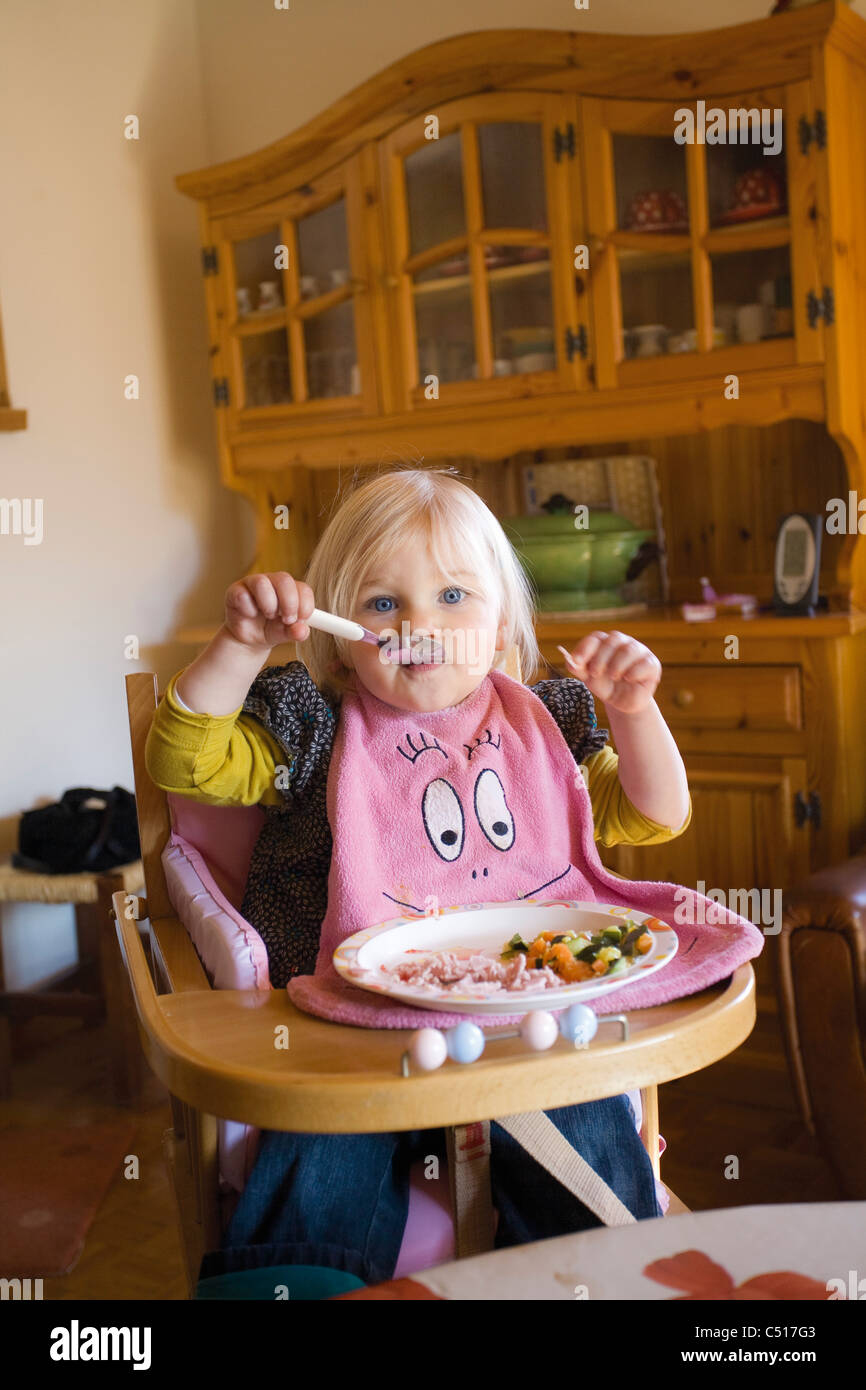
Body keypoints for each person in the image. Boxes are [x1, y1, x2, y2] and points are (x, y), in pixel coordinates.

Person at [145, 467, 691, 1287]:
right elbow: (184, 764)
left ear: (500, 621)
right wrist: (242, 645)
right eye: (382, 603)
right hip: (347, 1028)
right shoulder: (315, 721)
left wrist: (635, 712)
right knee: (316, 1163)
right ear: (336, 628)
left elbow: (651, 815)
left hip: (524, 1026)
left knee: (596, 1197)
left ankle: (593, 1275)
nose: (419, 625)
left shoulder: (544, 721)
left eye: (453, 597)